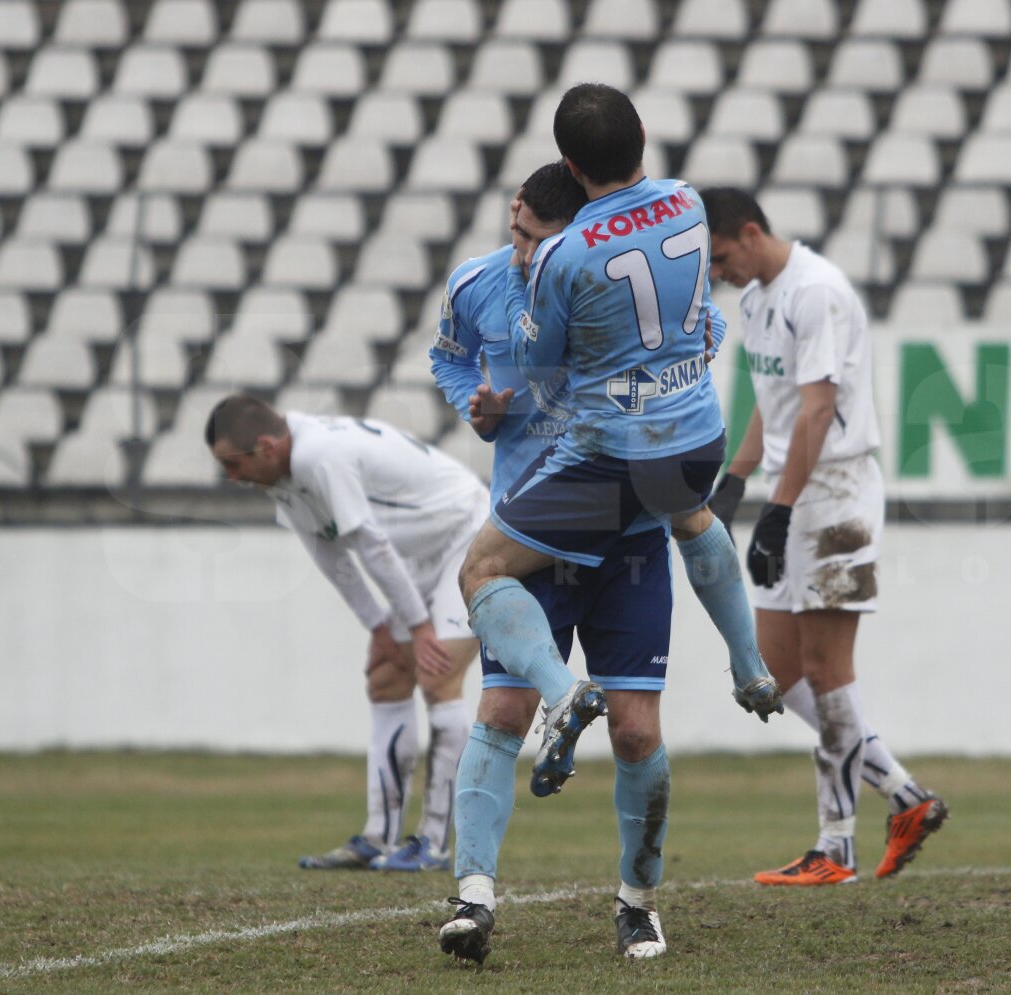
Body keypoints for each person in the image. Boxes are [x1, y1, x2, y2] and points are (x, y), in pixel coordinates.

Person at [456, 84, 784, 824]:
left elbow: (544, 367)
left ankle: (563, 689)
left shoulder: (561, 256)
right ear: (641, 130)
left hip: (610, 458)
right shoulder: (692, 206)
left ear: (570, 167)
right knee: (692, 517)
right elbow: (698, 319)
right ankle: (750, 663)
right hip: (697, 438)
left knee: (480, 567)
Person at [430, 163, 671, 962]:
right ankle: (472, 899)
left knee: (637, 733)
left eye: (533, 237)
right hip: (528, 533)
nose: (520, 249)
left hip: (627, 530)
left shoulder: (610, 286)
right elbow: (451, 357)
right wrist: (481, 404)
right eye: (514, 230)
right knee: (498, 713)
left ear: (572, 236)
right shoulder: (477, 284)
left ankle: (637, 902)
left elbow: (691, 345)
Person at [700, 187, 948, 885]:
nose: (719, 272)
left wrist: (777, 511)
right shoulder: (755, 298)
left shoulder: (819, 292)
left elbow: (817, 411)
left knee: (827, 664)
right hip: (791, 488)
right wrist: (736, 480)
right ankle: (906, 797)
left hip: (834, 492)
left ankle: (836, 844)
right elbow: (771, 403)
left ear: (750, 233)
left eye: (721, 256)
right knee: (775, 673)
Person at [205, 395, 486, 873]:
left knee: (439, 677)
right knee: (386, 676)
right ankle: (379, 837)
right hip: (414, 554)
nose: (233, 477)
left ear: (267, 446)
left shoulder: (320, 456)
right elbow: (327, 552)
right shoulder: (280, 471)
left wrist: (417, 628)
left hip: (467, 533)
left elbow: (367, 543)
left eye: (234, 464)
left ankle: (433, 843)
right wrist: (378, 627)